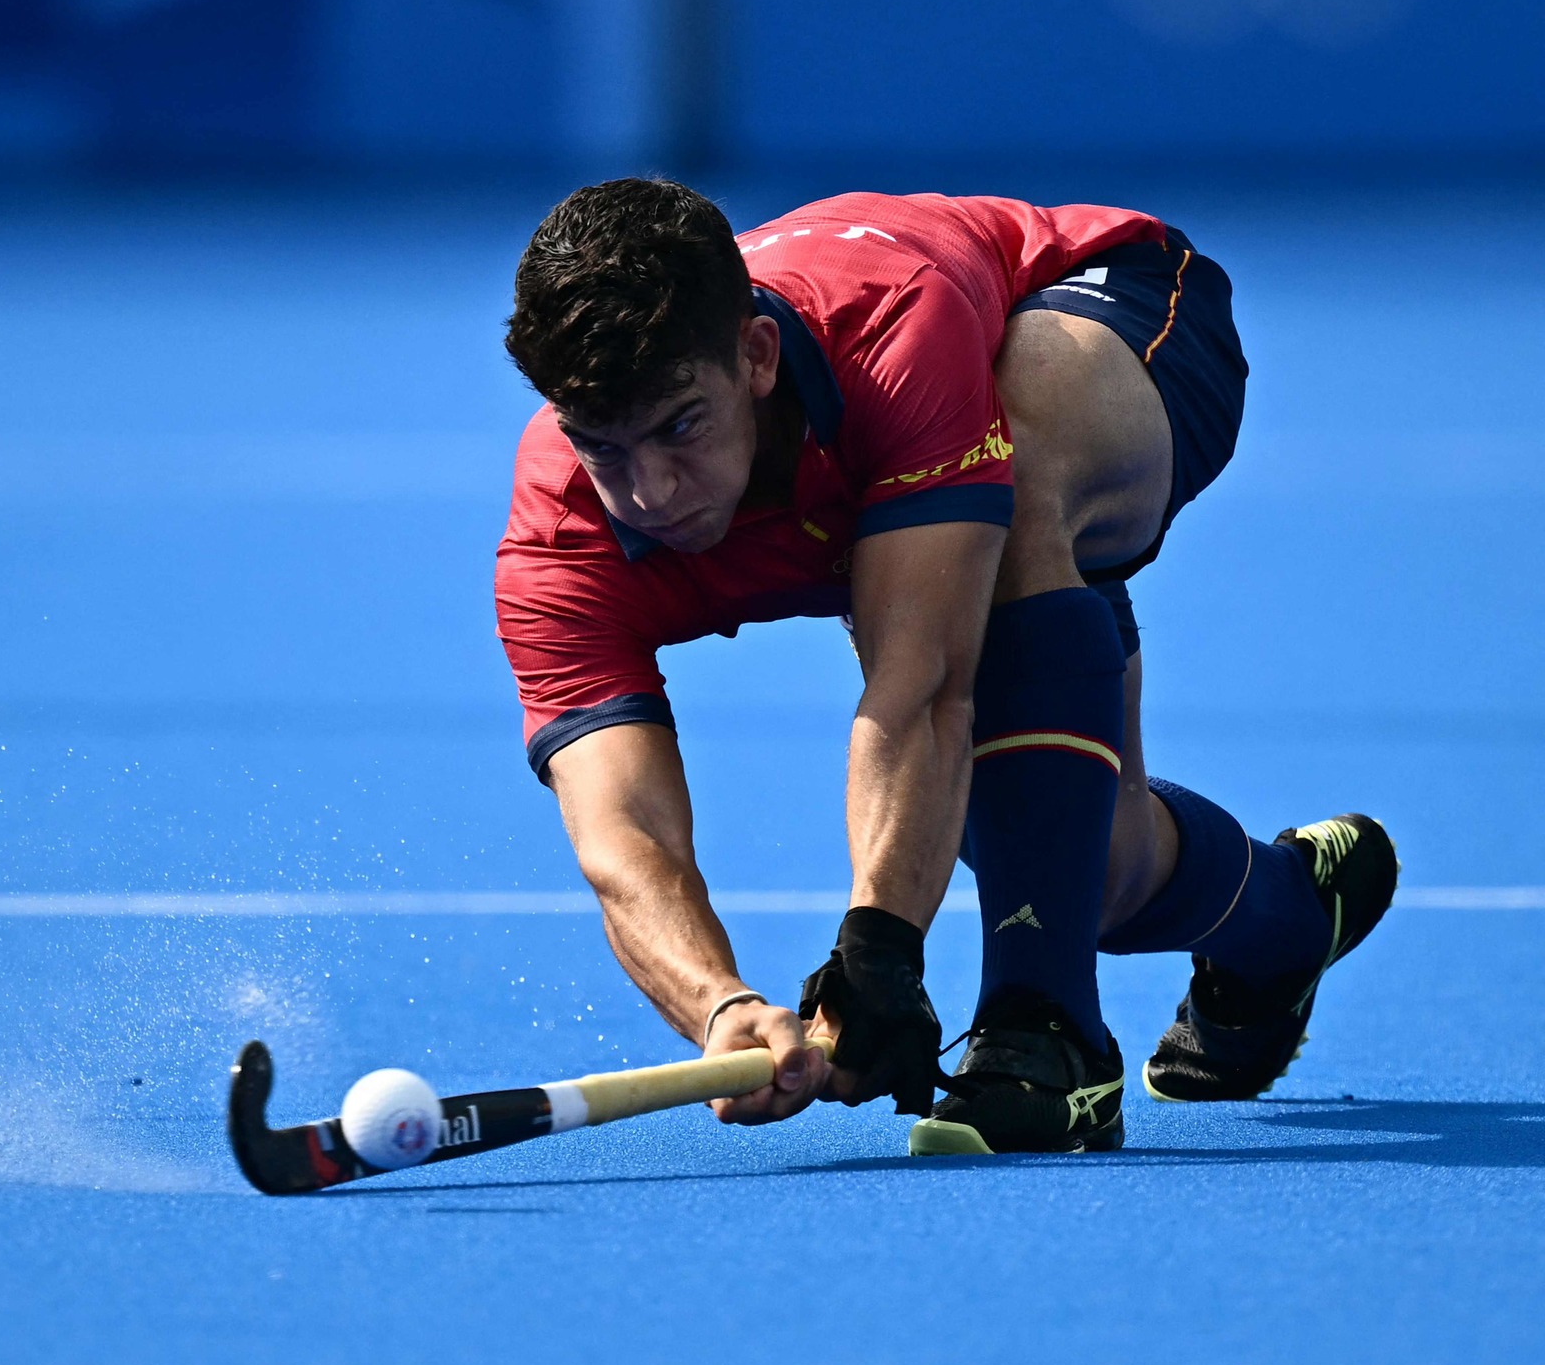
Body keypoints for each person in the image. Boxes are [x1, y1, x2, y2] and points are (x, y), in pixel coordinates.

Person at [493, 179, 1396, 1154]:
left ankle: (1045, 1035)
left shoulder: (890, 336)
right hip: (918, 493)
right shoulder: (558, 540)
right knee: (1079, 869)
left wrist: (876, 947)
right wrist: (720, 1004)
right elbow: (623, 838)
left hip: (1102, 310)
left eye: (679, 425)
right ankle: (1289, 913)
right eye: (602, 445)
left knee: (1019, 444)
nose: (649, 491)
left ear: (755, 358)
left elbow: (923, 691)